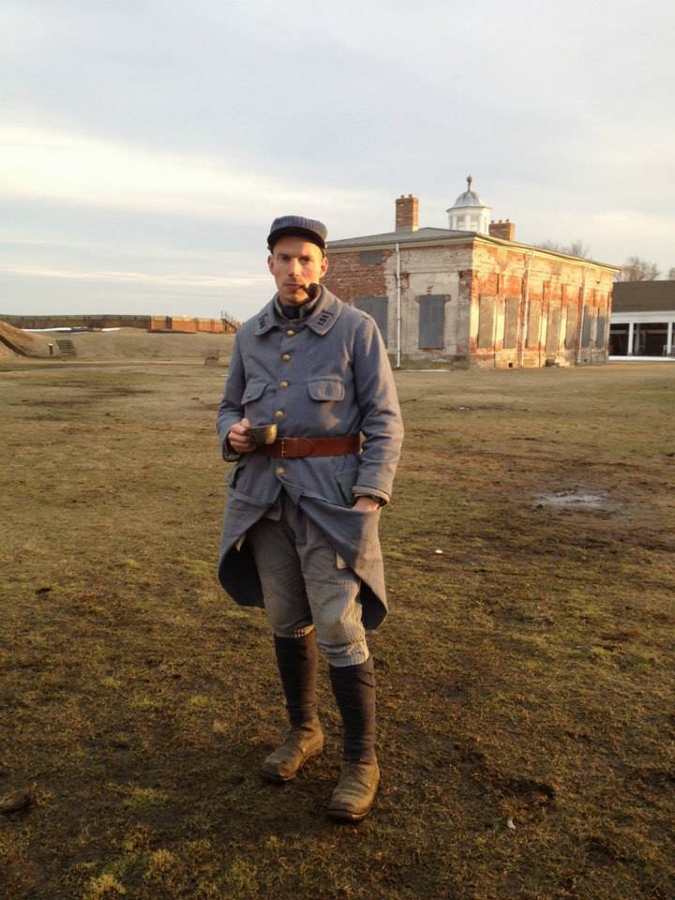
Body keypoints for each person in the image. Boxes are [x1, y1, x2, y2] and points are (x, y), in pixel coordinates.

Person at [216, 214, 403, 822]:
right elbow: (226, 408)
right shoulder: (250, 335)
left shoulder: (356, 329)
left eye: (305, 259)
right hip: (263, 501)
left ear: (322, 266)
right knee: (285, 617)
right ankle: (304, 731)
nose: (294, 269)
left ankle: (361, 761)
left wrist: (370, 496)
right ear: (268, 263)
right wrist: (234, 433)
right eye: (283, 258)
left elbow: (384, 421)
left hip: (331, 502)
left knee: (339, 627)